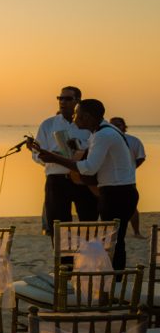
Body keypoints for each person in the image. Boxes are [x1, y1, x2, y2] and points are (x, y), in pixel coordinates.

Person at [31, 99, 138, 270]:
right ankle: (113, 282)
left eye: (77, 115)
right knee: (113, 241)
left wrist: (53, 158)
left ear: (87, 117)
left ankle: (115, 284)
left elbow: (88, 168)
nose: (73, 118)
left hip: (118, 193)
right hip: (115, 191)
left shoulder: (104, 135)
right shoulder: (102, 133)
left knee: (114, 242)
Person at [31, 86, 97, 236]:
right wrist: (45, 158)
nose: (63, 102)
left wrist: (79, 150)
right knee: (58, 226)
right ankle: (63, 260)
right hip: (57, 180)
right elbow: (36, 153)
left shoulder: (88, 123)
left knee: (89, 223)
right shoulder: (48, 124)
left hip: (83, 178)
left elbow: (97, 149)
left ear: (78, 101)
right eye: (60, 98)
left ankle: (88, 257)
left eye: (67, 99)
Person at [110, 116, 146, 238]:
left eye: (118, 125)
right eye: (112, 125)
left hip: (128, 180)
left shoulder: (133, 141)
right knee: (110, 208)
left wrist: (132, 167)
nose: (115, 127)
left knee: (132, 207)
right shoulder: (106, 140)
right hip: (109, 180)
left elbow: (141, 156)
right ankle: (112, 234)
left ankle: (136, 232)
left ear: (124, 127)